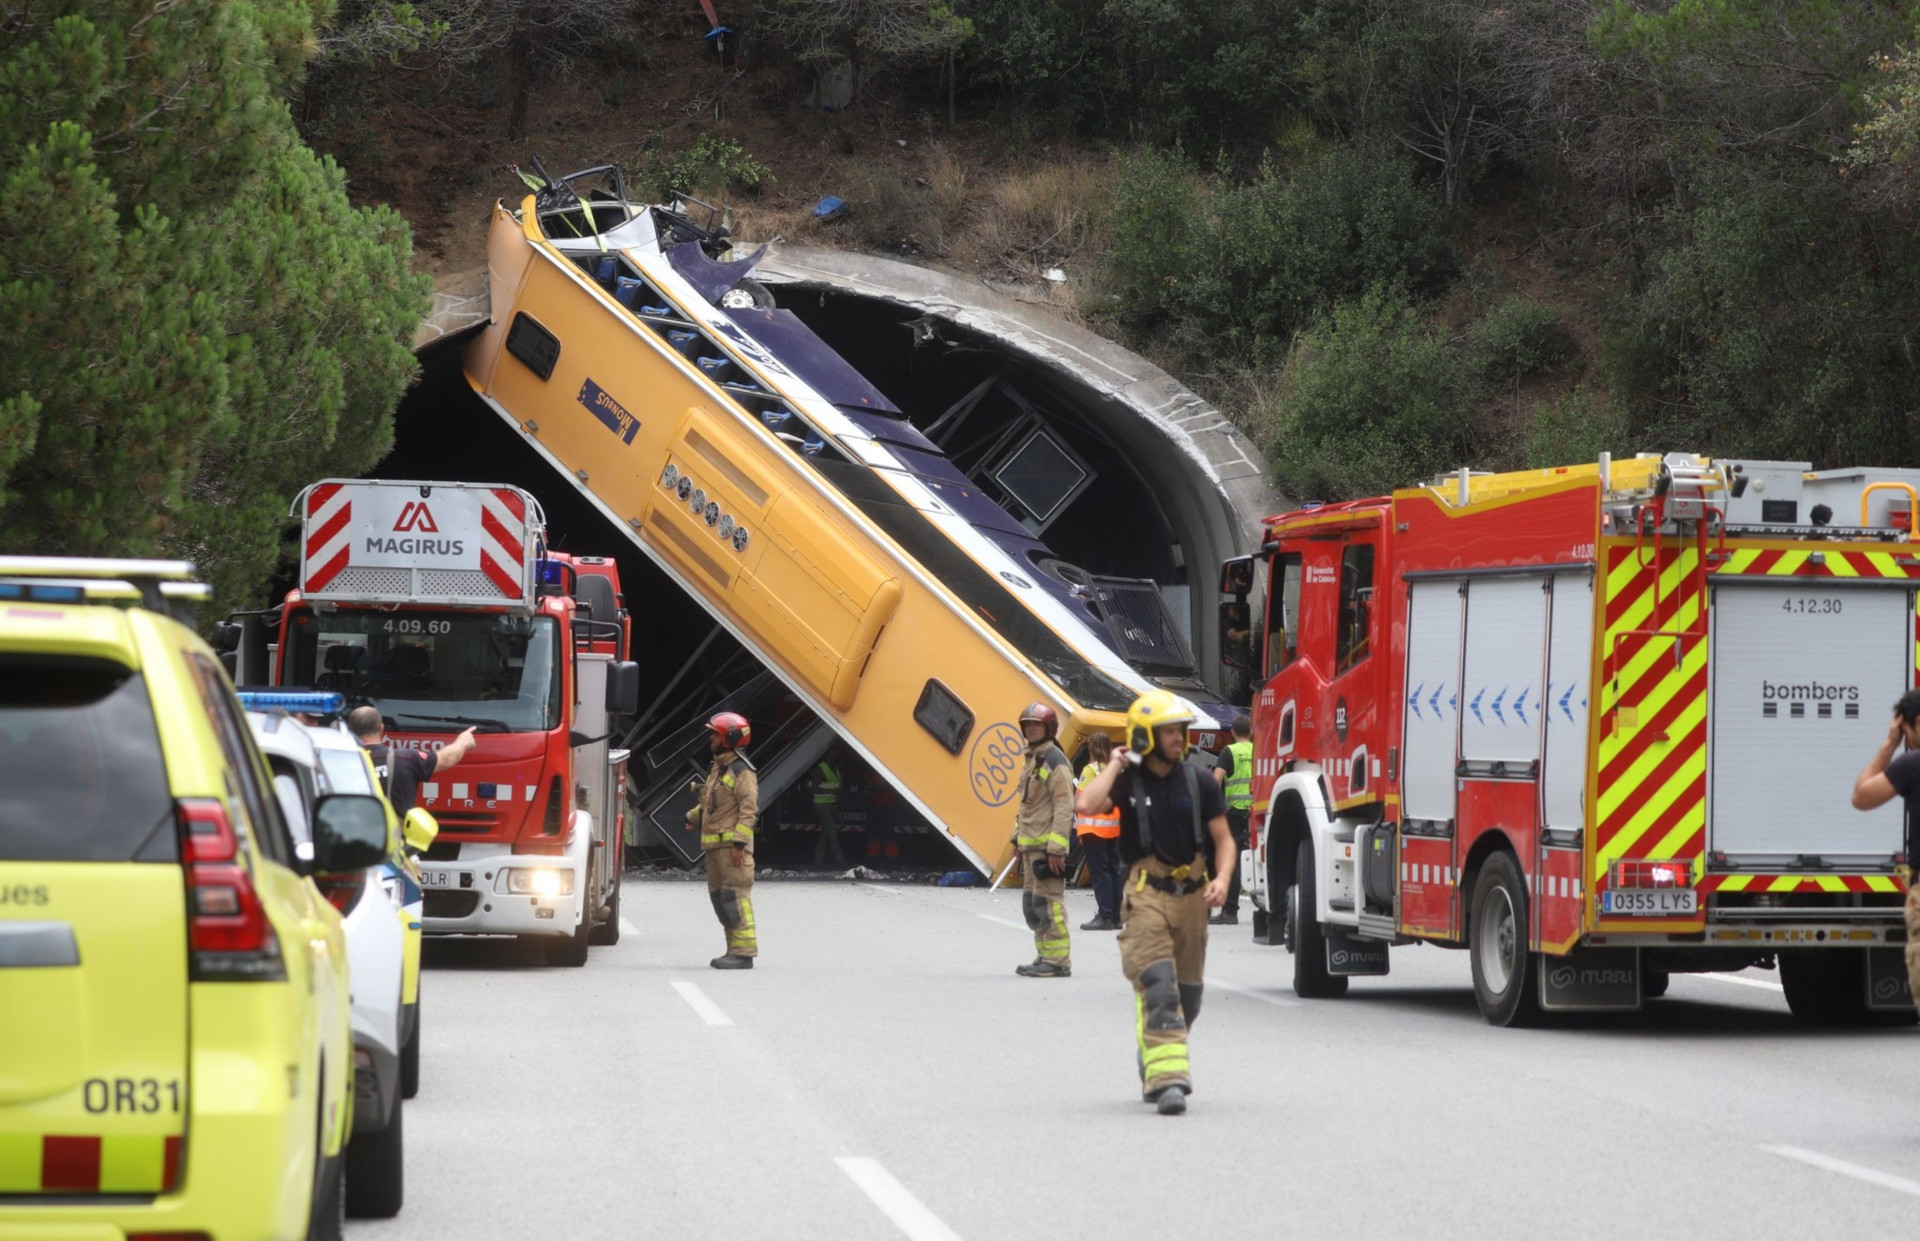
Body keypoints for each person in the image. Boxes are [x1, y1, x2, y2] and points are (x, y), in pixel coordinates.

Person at [1076, 689, 1235, 1116]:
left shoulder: (1200, 781)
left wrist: (1221, 879)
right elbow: (1086, 803)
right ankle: (1169, 1082)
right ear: (1145, 736)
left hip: (1193, 901)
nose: (1178, 738)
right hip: (1146, 895)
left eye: (1180, 730)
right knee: (1160, 987)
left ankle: (1154, 1049)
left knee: (1189, 1000)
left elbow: (1224, 840)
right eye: (1169, 731)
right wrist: (1114, 763)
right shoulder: (1126, 781)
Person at [1849, 689, 1920, 1004]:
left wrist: (1889, 744)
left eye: (1906, 733)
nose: (1908, 740)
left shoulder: (1912, 764)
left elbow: (1861, 796)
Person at [690, 711, 759, 970]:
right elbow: (710, 803)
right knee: (720, 900)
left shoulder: (743, 771)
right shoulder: (718, 768)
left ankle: (743, 953)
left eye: (715, 734)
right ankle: (733, 950)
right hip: (715, 848)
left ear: (729, 738)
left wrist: (740, 844)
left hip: (732, 850)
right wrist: (692, 817)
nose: (711, 738)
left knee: (734, 897)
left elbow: (748, 809)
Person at [1011, 701, 1076, 978]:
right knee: (1035, 905)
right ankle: (1044, 955)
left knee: (1050, 904)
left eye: (1036, 725)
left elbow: (1064, 805)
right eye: (1027, 725)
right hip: (1030, 845)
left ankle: (1058, 960)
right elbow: (1027, 805)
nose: (1031, 729)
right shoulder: (1033, 758)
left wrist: (1057, 848)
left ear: (1048, 727)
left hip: (1046, 848)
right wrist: (1016, 839)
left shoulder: (1055, 760)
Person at [345, 705, 475, 813]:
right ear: (381, 728)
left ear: (349, 730)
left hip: (348, 838)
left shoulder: (336, 762)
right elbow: (447, 759)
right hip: (392, 841)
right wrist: (462, 742)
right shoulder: (406, 759)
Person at [1075, 733, 1124, 930]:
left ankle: (1105, 916)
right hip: (1113, 828)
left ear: (1091, 748)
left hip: (1094, 829)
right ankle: (1116, 916)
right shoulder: (1115, 770)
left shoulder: (1090, 770)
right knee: (1114, 871)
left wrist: (1079, 831)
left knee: (1100, 873)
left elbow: (1080, 801)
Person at [1211, 715, 1255, 926]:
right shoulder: (1258, 751)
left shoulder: (1229, 752)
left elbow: (1216, 779)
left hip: (1235, 813)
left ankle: (1230, 911)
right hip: (1256, 811)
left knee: (1233, 859)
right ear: (1251, 732)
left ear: (1233, 733)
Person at [810, 755, 844, 869]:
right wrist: (832, 791)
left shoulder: (835, 768)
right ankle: (840, 861)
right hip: (822, 805)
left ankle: (818, 861)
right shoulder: (820, 769)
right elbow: (814, 787)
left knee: (825, 834)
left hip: (831, 804)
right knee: (833, 832)